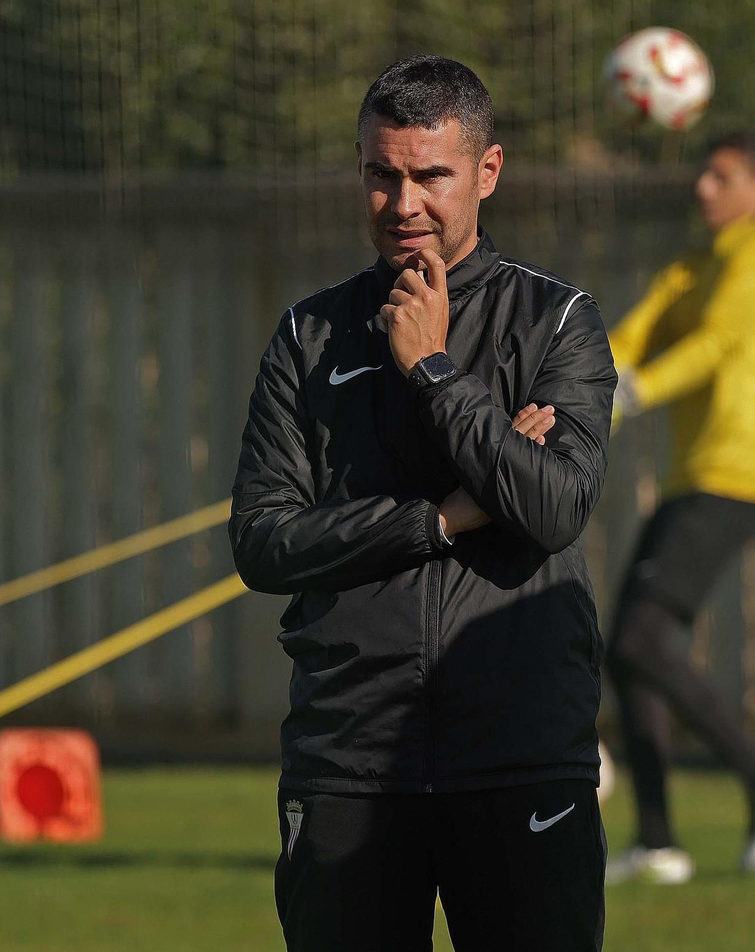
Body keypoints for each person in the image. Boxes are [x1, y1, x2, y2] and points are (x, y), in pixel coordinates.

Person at [230, 55, 615, 951]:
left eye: (429, 176)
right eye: (380, 174)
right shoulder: (308, 334)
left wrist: (434, 371)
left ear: (486, 172)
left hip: (521, 760)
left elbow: (556, 508)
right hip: (350, 766)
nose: (403, 204)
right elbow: (264, 542)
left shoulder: (557, 321)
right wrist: (441, 517)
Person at [602, 132, 755, 884]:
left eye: (720, 176)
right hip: (698, 475)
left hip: (743, 473)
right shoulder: (699, 263)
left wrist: (632, 395)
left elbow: (722, 343)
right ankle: (658, 842)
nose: (702, 186)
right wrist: (574, 382)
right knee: (626, 652)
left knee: (641, 639)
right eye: (702, 172)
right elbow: (631, 335)